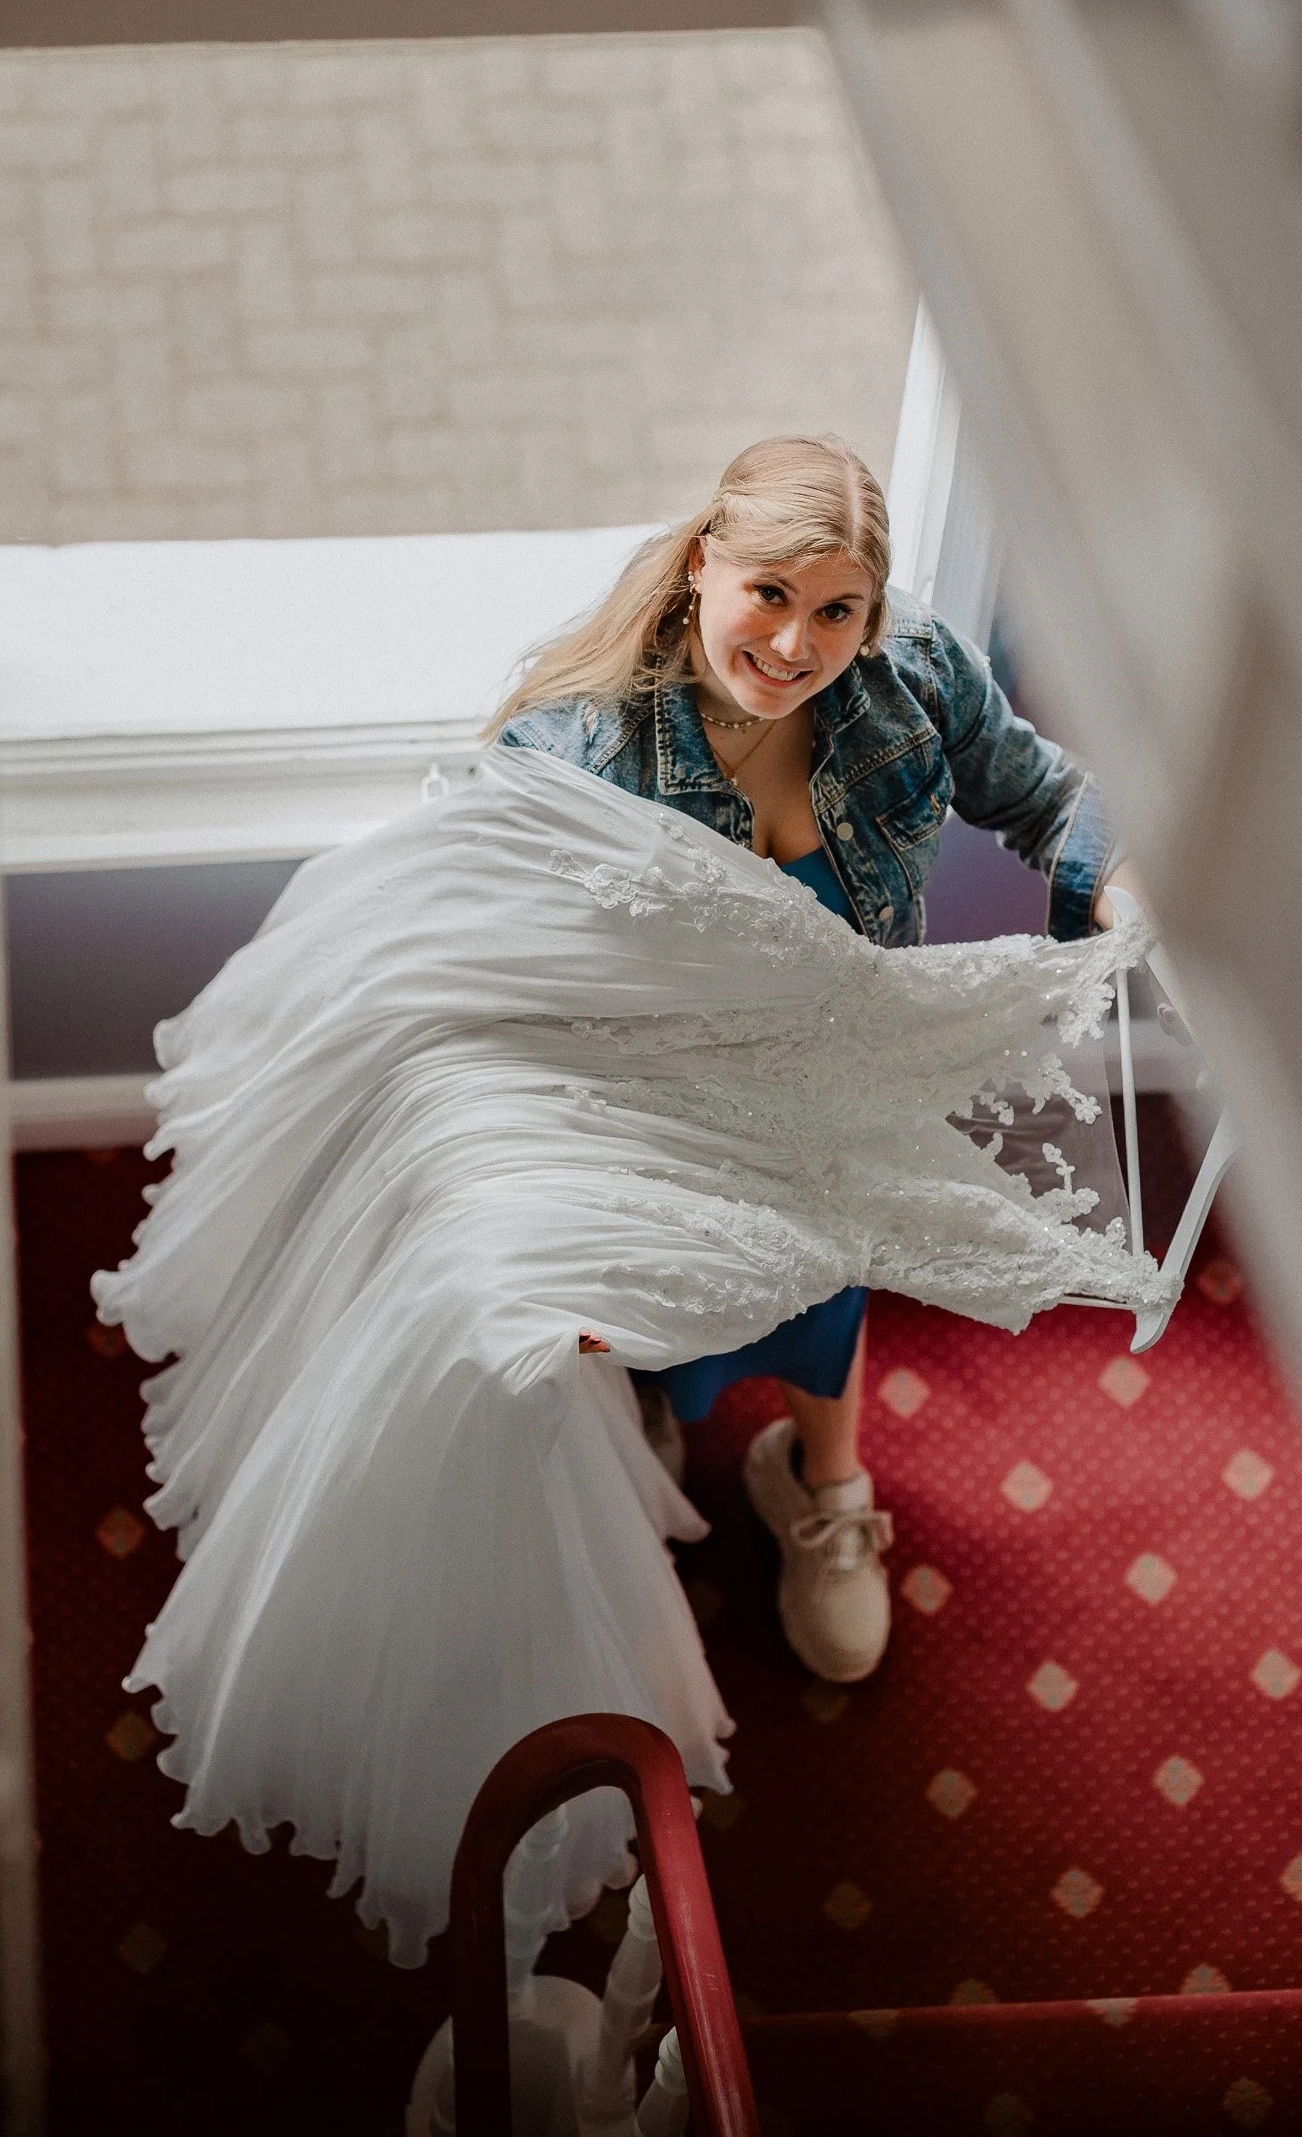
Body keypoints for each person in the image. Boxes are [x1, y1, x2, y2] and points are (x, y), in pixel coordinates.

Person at [491, 432, 1137, 1686]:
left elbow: (1049, 797)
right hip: (661, 1114)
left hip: (844, 1094)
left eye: (837, 610)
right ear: (701, 566)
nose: (796, 645)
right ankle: (645, 1423)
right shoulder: (574, 749)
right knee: (656, 1313)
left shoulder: (916, 675)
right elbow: (510, 992)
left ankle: (817, 1475)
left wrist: (1120, 878)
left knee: (827, 1283)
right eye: (770, 595)